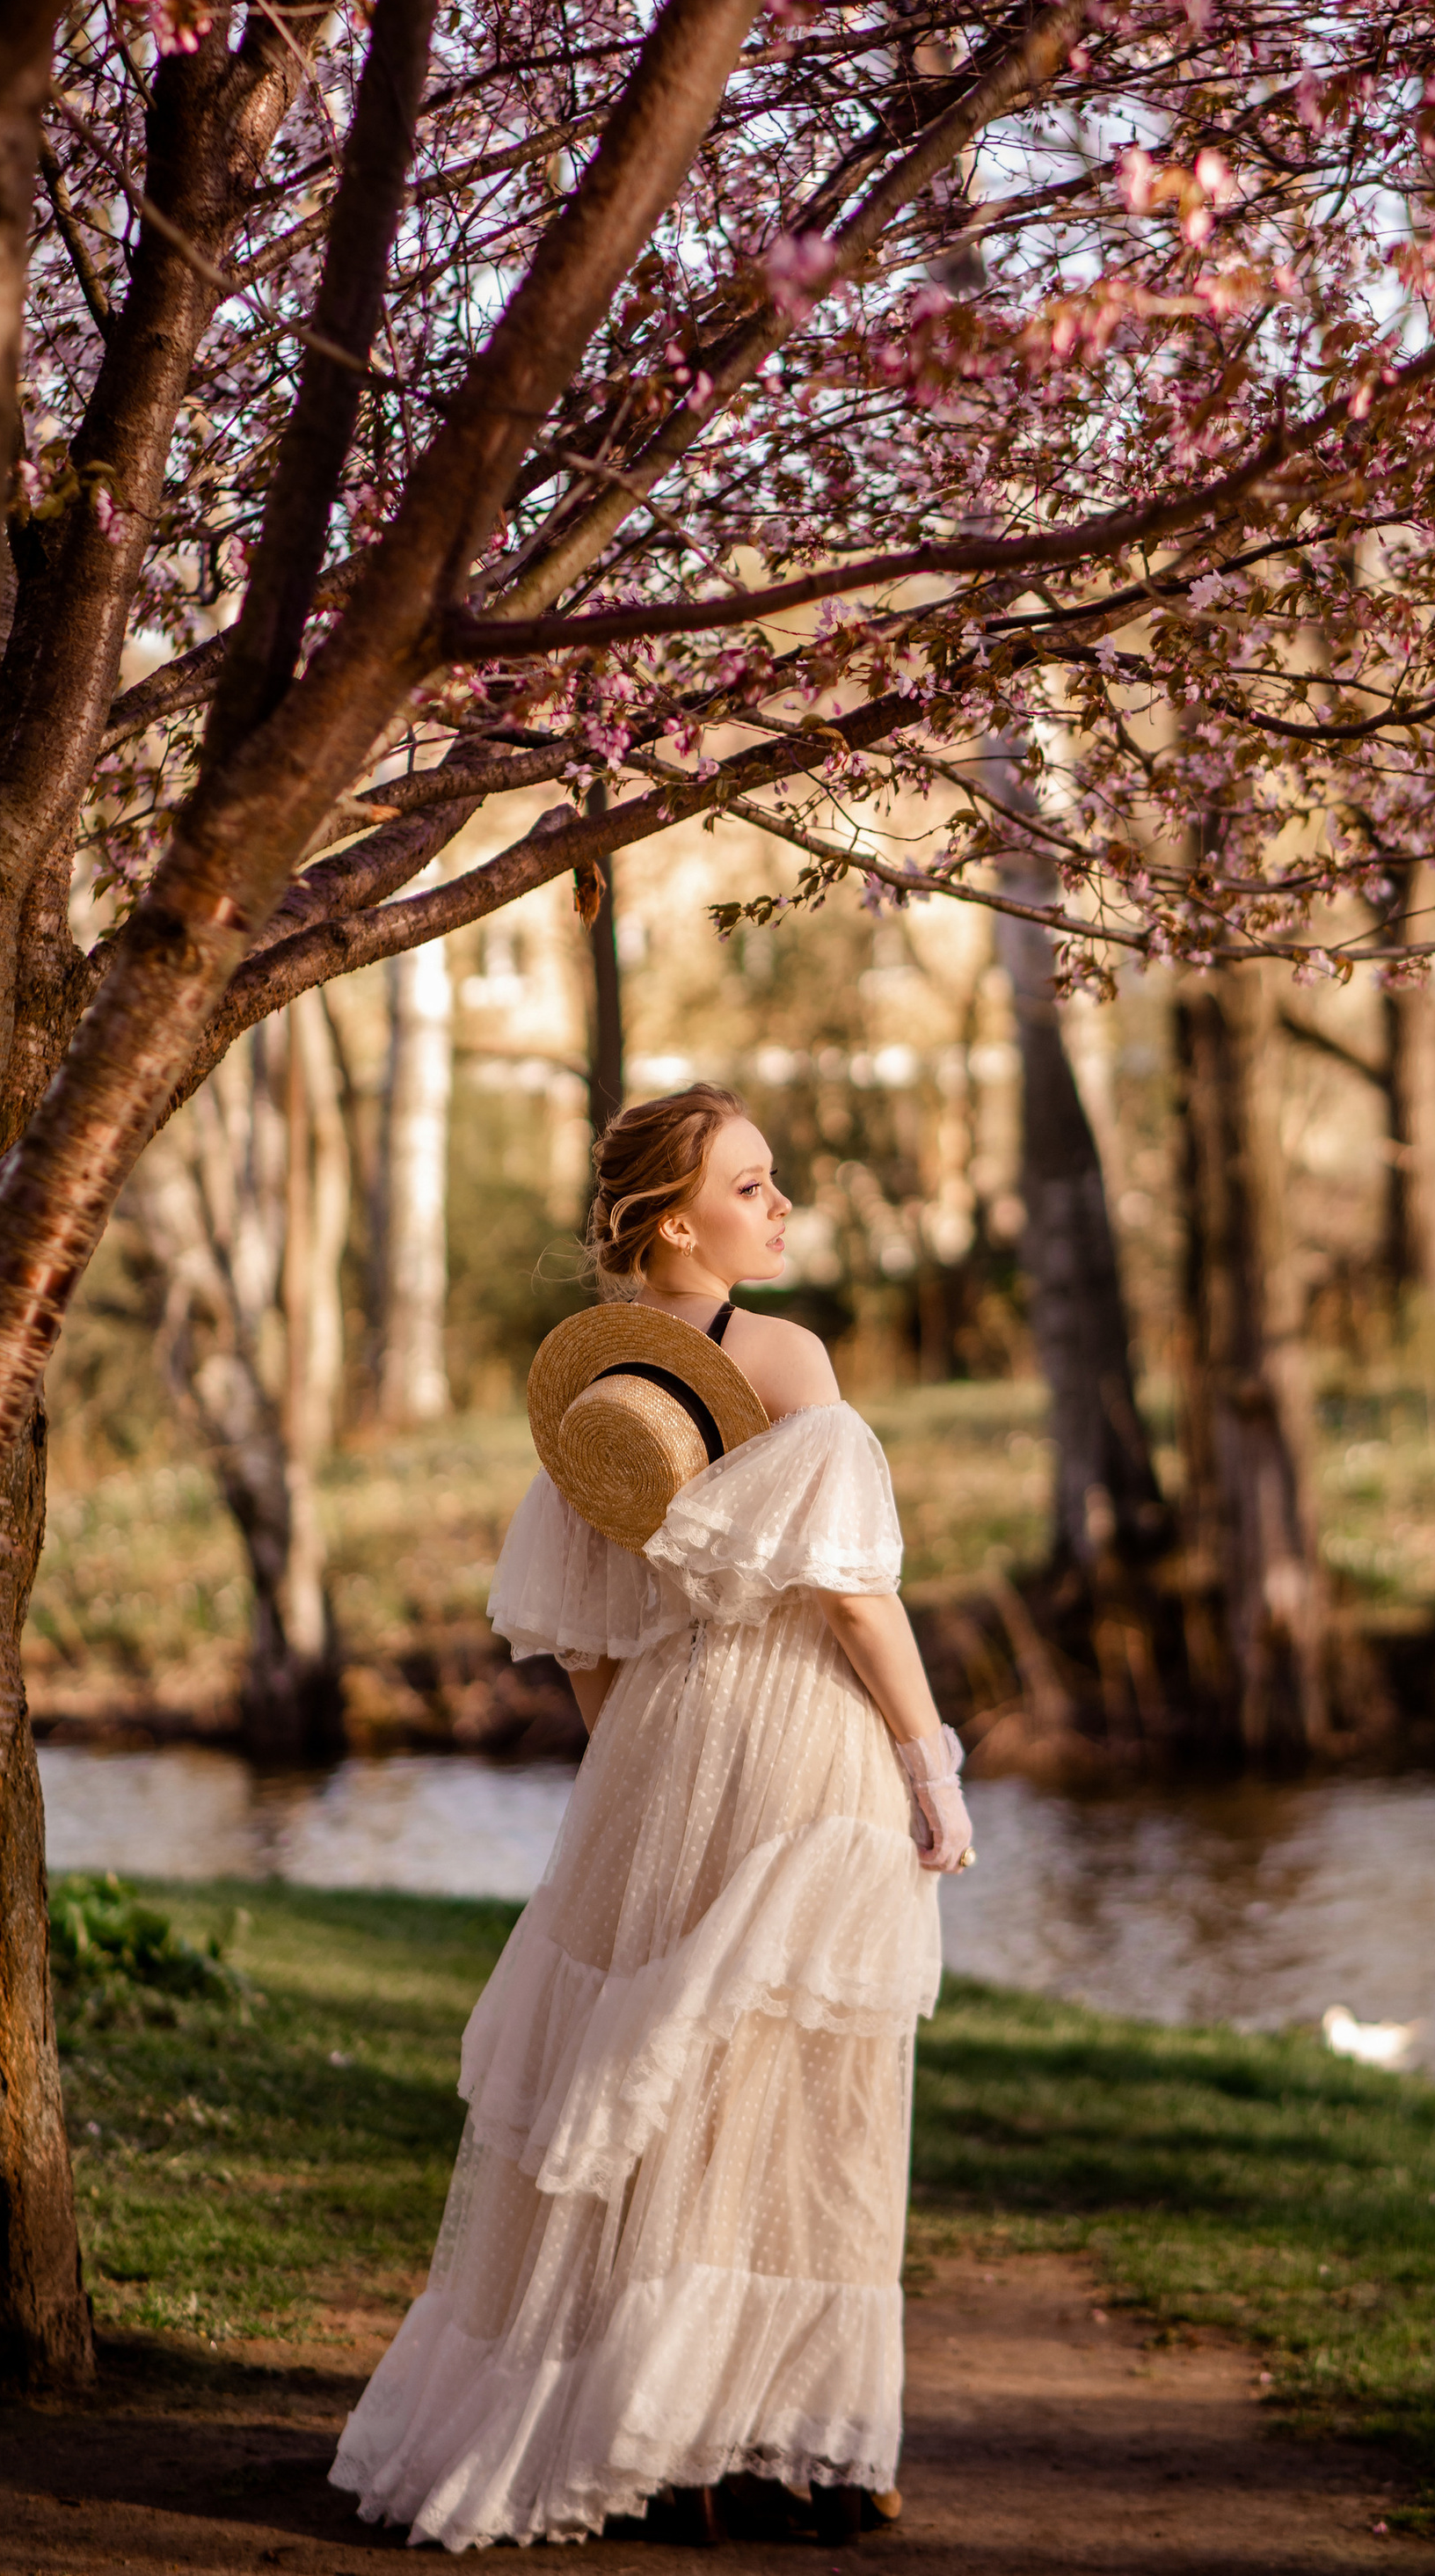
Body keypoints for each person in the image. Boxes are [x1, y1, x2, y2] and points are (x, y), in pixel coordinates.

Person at [331, 1084, 973, 2550]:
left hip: (658, 1745)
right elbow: (852, 1596)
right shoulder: (785, 1356)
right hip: (802, 1734)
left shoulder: (597, 1408)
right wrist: (927, 1758)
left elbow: (585, 1646)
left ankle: (653, 2437)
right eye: (751, 1186)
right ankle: (781, 2442)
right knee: (794, 2083)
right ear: (675, 1225)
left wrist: (645, 1775)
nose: (782, 1204)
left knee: (651, 2082)